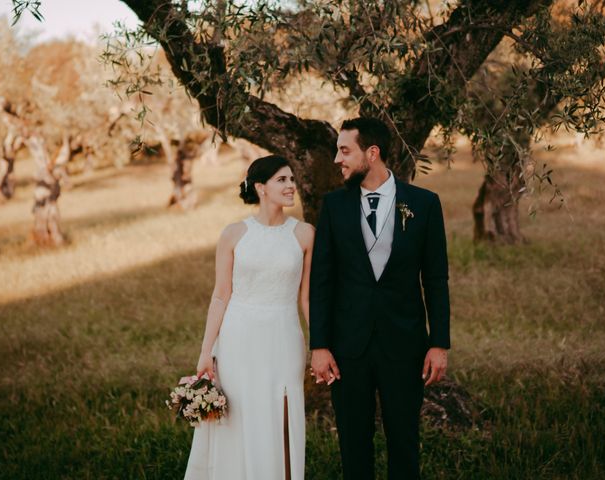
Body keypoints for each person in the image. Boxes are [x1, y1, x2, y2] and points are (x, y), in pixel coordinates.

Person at [309, 117, 450, 480]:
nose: (337, 159)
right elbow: (322, 281)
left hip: (404, 345)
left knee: (404, 441)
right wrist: (320, 345)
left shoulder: (424, 204)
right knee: (354, 445)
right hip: (346, 348)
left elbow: (435, 280)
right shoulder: (334, 207)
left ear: (372, 154)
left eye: (345, 151)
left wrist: (439, 344)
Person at [184, 155, 315, 480]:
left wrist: (321, 346)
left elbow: (307, 297)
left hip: (284, 337)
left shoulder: (305, 234)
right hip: (238, 340)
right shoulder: (234, 234)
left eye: (291, 179)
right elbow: (221, 294)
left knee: (283, 419)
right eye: (281, 180)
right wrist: (206, 352)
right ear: (260, 187)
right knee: (240, 421)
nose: (290, 186)